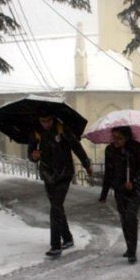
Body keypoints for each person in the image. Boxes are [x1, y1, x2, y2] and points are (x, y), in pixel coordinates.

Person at [27, 109, 93, 258]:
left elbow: (76, 146)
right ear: (39, 121)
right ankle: (67, 238)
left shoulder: (62, 130)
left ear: (53, 119)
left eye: (49, 120)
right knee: (57, 208)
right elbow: (31, 153)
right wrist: (33, 156)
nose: (46, 124)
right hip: (47, 175)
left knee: (55, 207)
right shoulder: (36, 133)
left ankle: (55, 245)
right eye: (43, 121)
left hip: (64, 174)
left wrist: (86, 164)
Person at [98, 126, 140, 264]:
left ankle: (132, 251)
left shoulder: (136, 148)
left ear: (127, 138)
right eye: (114, 137)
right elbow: (108, 173)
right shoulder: (110, 150)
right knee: (124, 218)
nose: (116, 141)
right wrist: (104, 193)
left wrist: (133, 182)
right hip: (119, 189)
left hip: (135, 190)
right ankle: (129, 247)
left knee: (131, 216)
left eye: (119, 138)